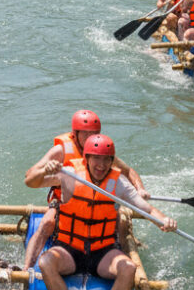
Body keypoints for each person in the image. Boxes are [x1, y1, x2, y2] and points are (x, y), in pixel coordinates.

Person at [26, 134, 175, 290]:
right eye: (96, 158)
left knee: (129, 268)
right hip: (69, 248)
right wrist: (44, 170)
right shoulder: (69, 174)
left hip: (102, 252)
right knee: (46, 263)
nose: (101, 165)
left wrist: (164, 221)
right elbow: (31, 182)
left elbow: (148, 209)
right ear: (87, 158)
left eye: (107, 160)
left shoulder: (119, 183)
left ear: (112, 161)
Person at [23, 110, 146, 272]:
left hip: (99, 202)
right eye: (85, 134)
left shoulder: (101, 152)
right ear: (75, 134)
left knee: (121, 223)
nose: (90, 137)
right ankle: (26, 268)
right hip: (66, 201)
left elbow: (128, 171)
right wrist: (47, 170)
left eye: (93, 133)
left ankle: (127, 265)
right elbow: (30, 175)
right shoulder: (60, 151)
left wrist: (140, 189)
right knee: (47, 223)